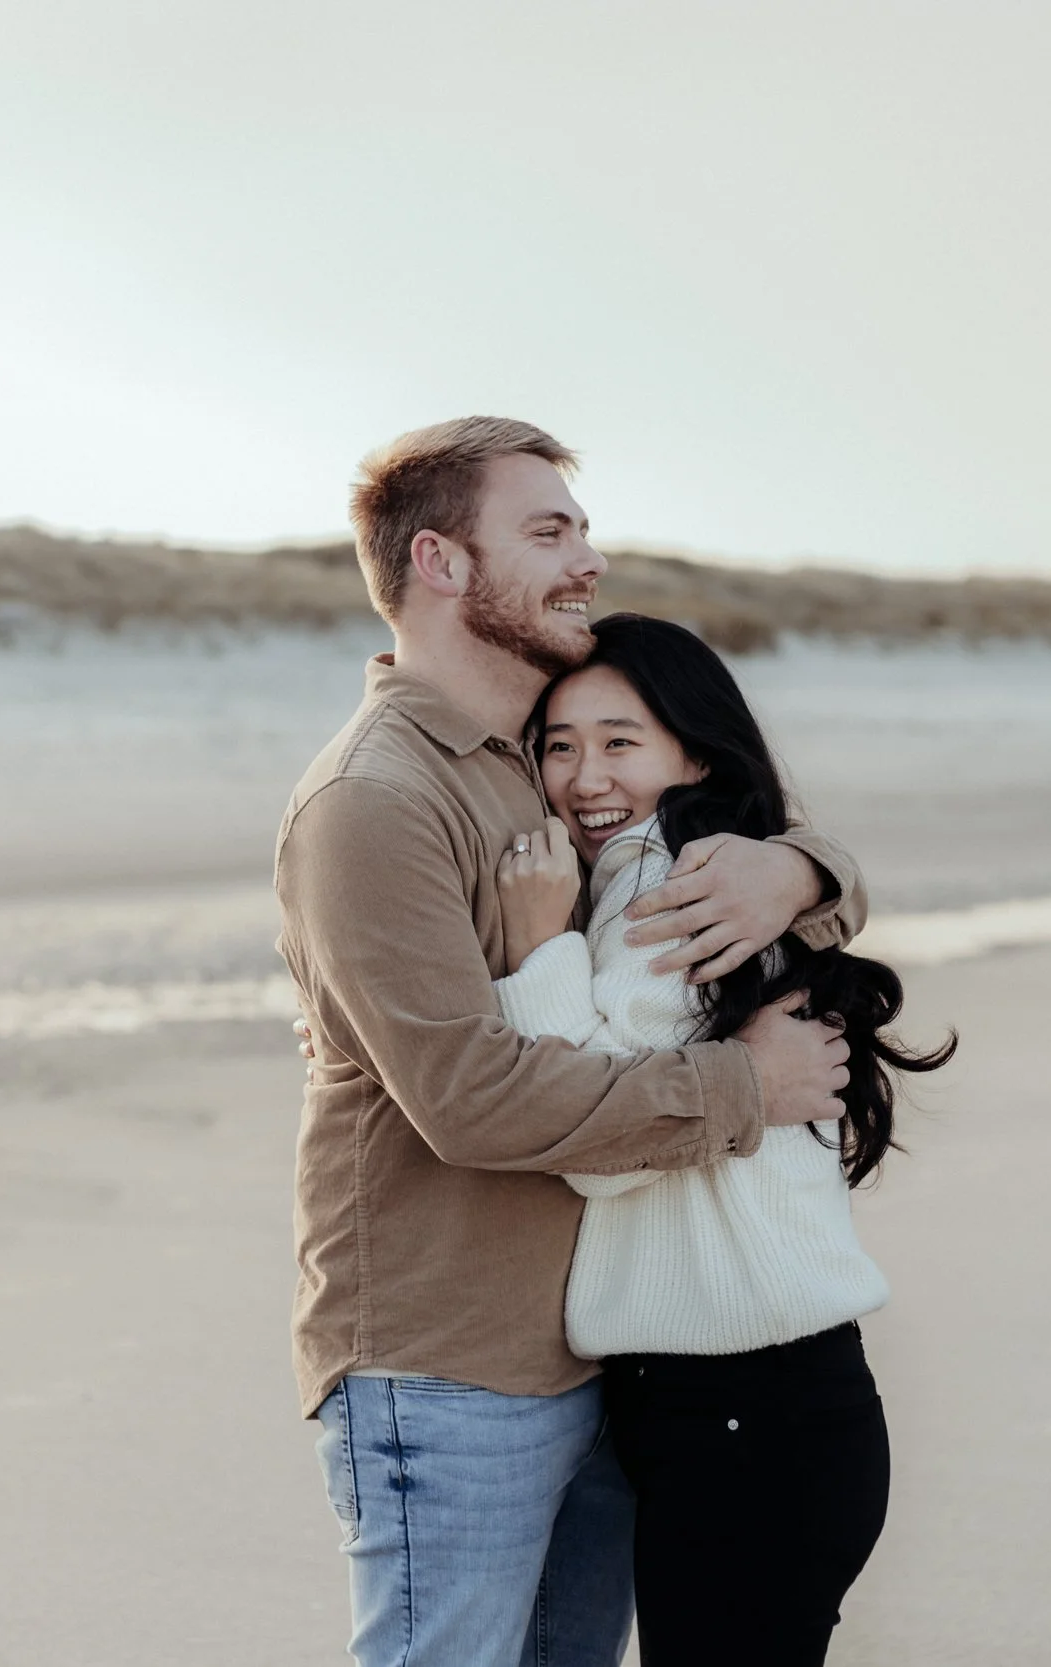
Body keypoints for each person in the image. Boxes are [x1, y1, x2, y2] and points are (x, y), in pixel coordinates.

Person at [275, 417, 872, 1667]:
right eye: (549, 531)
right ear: (440, 563)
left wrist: (796, 866)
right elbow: (469, 1097)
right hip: (444, 1364)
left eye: (581, 529)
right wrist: (742, 1086)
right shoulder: (373, 802)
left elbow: (726, 811)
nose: (588, 559)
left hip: (600, 1366)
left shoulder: (536, 757)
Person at [489, 613, 956, 1666]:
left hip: (746, 1410)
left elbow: (597, 1145)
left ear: (693, 750)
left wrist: (537, 950)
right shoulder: (678, 869)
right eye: (558, 744)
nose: (582, 774)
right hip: (754, 1407)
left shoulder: (667, 884)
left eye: (620, 741)